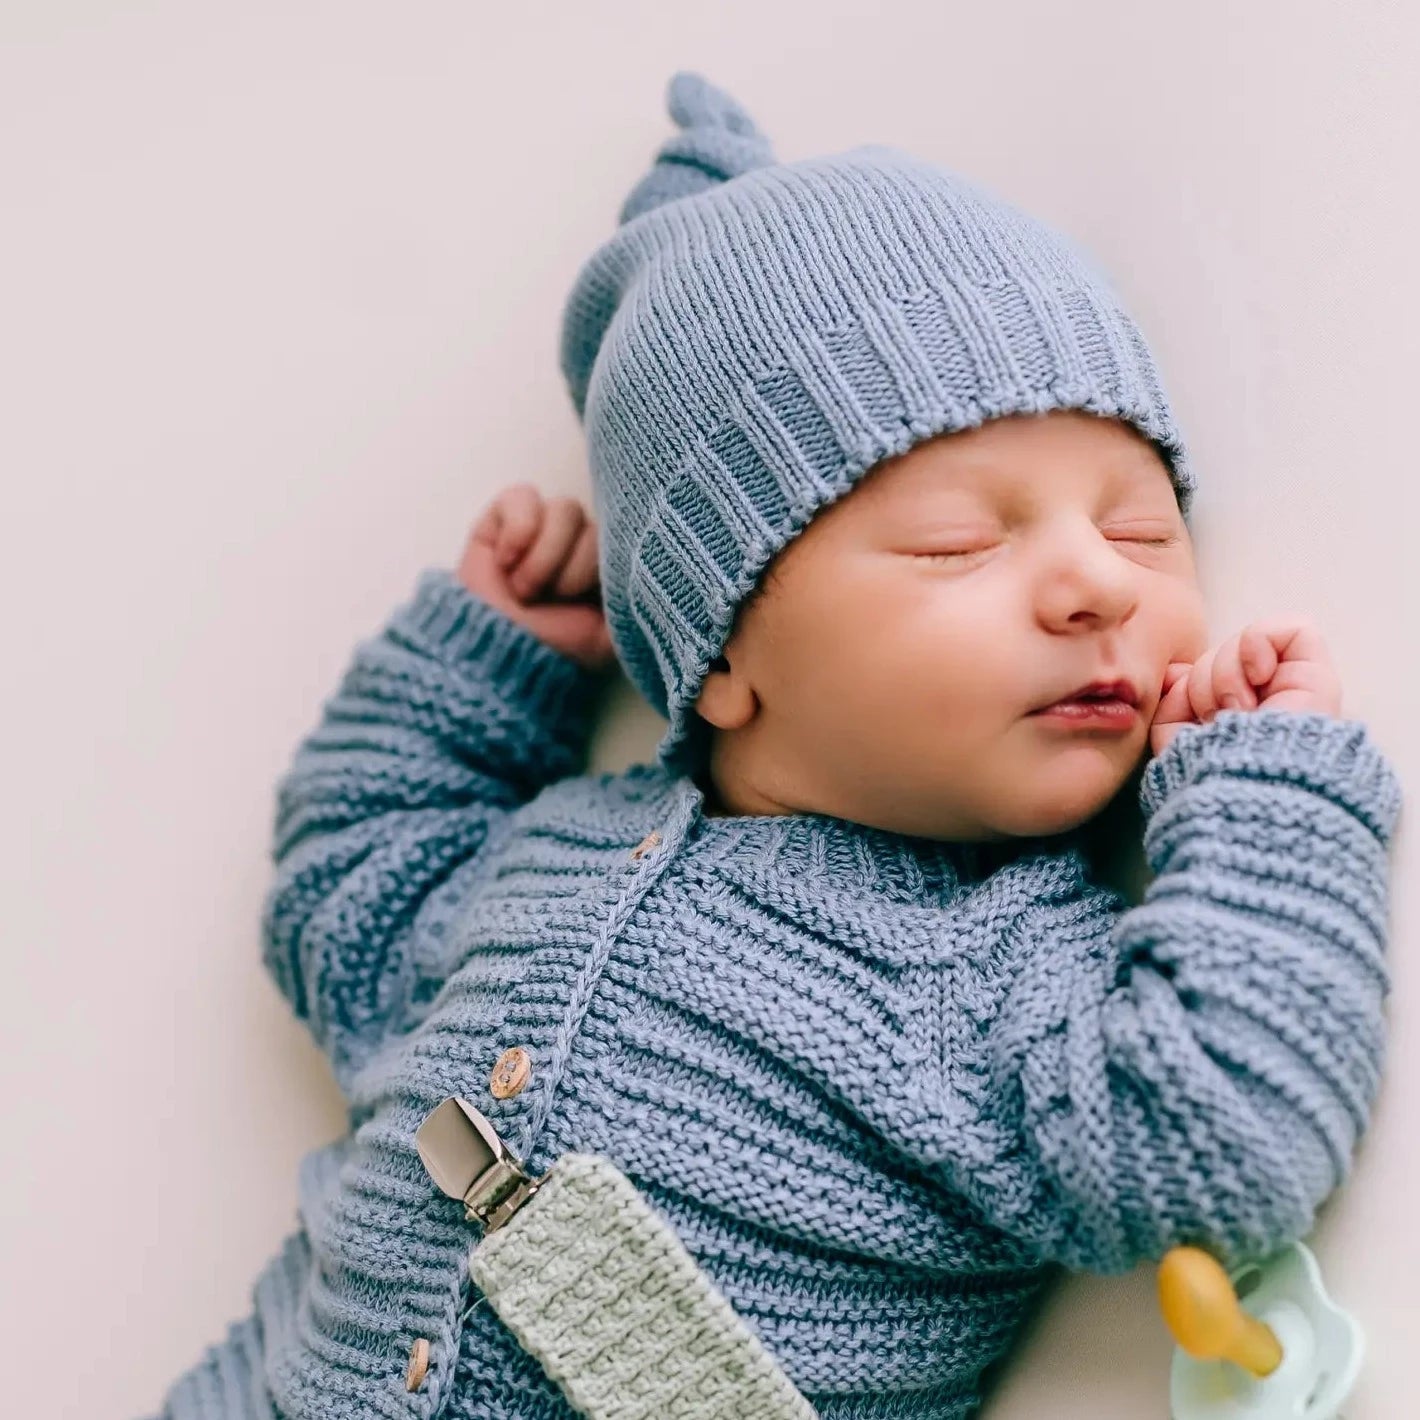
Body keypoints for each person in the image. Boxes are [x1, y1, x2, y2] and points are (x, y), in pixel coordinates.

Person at [144, 70, 1402, 1420]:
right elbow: (350, 895)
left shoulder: (1002, 978)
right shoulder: (539, 861)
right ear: (723, 649)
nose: (1098, 583)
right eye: (960, 542)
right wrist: (487, 664)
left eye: (1145, 530)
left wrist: (1267, 795)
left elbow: (1219, 1140)